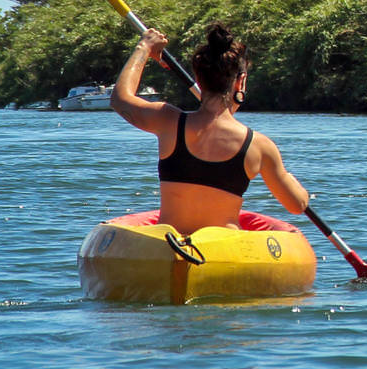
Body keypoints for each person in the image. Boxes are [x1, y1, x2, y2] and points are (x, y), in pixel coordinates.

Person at [111, 23, 310, 235]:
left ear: (198, 79)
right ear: (240, 82)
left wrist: (144, 47)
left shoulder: (167, 121)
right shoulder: (259, 146)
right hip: (224, 253)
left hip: (168, 246)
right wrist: (289, 179)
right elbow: (297, 205)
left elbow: (120, 99)